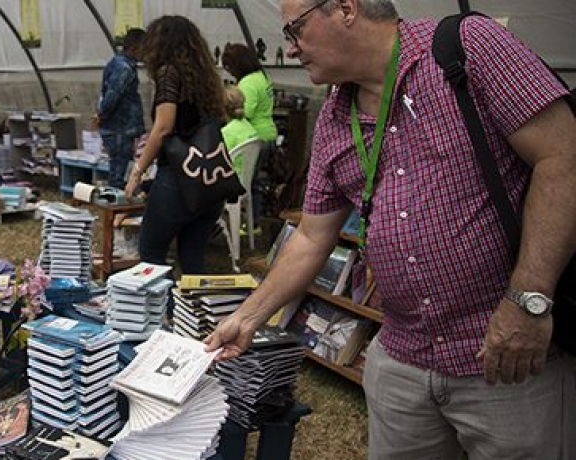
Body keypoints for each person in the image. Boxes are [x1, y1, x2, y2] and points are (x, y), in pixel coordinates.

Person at [205, 1, 576, 459]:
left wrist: (528, 302)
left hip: (504, 357)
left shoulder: (468, 49)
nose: (289, 48)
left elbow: (564, 156)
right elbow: (311, 236)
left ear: (345, 8)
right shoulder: (334, 119)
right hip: (402, 357)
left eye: (295, 30)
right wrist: (247, 317)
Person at [125, 15, 227, 275]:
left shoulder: (168, 73)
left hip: (178, 179)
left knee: (151, 252)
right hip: (209, 183)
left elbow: (163, 128)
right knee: (192, 256)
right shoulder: (205, 79)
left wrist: (138, 171)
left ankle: (164, 312)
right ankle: (194, 315)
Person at [95, 28, 146, 189]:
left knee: (121, 169)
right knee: (119, 172)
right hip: (119, 128)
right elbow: (112, 95)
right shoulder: (123, 68)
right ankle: (117, 208)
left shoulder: (120, 63)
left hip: (120, 128)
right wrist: (102, 114)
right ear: (135, 48)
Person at [221, 43, 278, 144]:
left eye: (229, 67)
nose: (230, 72)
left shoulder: (248, 83)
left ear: (238, 65)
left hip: (256, 136)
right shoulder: (262, 76)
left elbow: (244, 112)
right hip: (269, 130)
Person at [221, 85, 259, 173]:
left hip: (230, 178)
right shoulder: (249, 127)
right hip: (244, 178)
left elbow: (217, 160)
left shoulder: (227, 132)